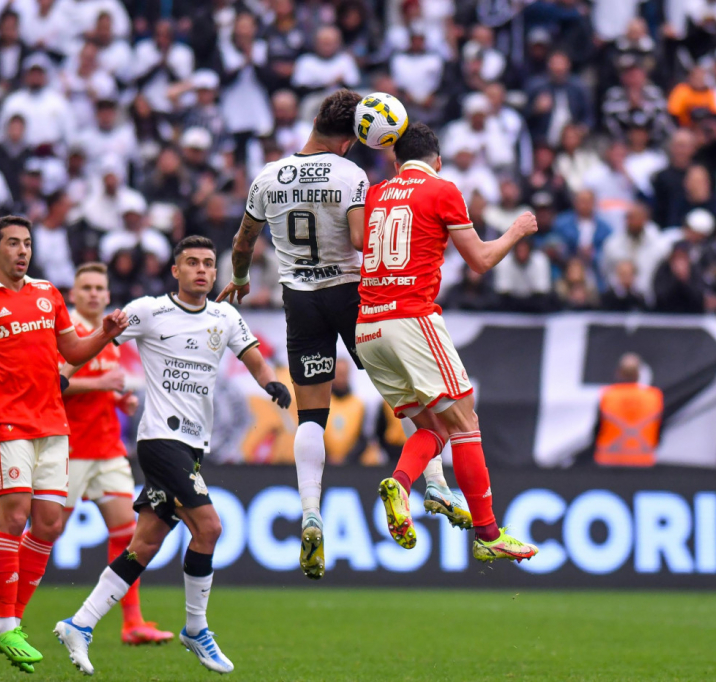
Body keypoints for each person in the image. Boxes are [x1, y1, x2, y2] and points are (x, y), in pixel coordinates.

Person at [53, 236, 291, 676]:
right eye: (192, 263)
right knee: (210, 526)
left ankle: (79, 623)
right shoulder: (148, 310)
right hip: (160, 440)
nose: (201, 270)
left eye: (207, 263)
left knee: (143, 544)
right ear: (175, 271)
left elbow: (254, 356)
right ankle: (196, 628)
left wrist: (269, 382)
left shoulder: (225, 316)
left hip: (194, 446)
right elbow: (97, 339)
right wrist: (65, 372)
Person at [0, 215, 128, 674]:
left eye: (28, 243)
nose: (22, 251)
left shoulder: (47, 294)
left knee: (50, 524)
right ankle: (6, 620)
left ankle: (12, 618)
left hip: (54, 426)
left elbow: (72, 353)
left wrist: (105, 334)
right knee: (15, 516)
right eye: (12, 244)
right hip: (9, 423)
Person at [352, 122, 539, 563]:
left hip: (367, 329)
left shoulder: (377, 193)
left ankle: (400, 482)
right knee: (465, 422)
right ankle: (489, 533)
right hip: (411, 319)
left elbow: (359, 242)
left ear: (397, 162)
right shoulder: (442, 189)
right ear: (436, 159)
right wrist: (516, 230)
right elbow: (480, 260)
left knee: (433, 429)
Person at [0, 263, 171, 645]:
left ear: (109, 295)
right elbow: (51, 385)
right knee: (48, 530)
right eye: (87, 288)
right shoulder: (65, 332)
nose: (94, 294)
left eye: (100, 287)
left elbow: (98, 387)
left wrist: (117, 398)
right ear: (73, 295)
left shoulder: (109, 337)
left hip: (109, 449)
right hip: (70, 449)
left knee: (129, 532)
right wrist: (100, 384)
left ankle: (132, 623)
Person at [217, 89, 368, 581]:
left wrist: (240, 279)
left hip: (300, 300)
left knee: (312, 415)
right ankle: (427, 484)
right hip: (347, 292)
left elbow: (243, 242)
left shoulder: (268, 175)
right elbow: (363, 241)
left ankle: (310, 512)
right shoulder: (350, 175)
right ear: (348, 140)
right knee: (401, 389)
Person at [594, 353, 663, 467]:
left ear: (619, 373)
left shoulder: (608, 395)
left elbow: (597, 428)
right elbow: (660, 429)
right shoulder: (653, 396)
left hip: (609, 459)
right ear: (639, 374)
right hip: (643, 460)